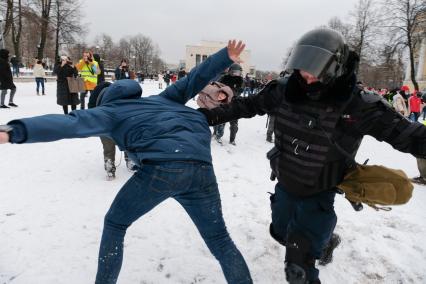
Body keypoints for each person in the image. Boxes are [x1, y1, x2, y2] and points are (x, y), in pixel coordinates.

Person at [0, 40, 251, 284]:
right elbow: (195, 78)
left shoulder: (110, 112)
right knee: (219, 239)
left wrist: (14, 131)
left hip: (163, 168)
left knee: (115, 223)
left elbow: (69, 123)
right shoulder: (165, 98)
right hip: (201, 167)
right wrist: (223, 57)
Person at [198, 29, 426, 283]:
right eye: (303, 66)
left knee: (298, 269)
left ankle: (313, 247)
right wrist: (204, 117)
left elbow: (408, 134)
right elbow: (247, 106)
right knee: (281, 232)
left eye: (314, 68)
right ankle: (327, 242)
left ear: (335, 68)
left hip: (320, 190)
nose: (306, 75)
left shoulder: (357, 105)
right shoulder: (284, 91)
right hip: (286, 181)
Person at [212, 63, 244, 145]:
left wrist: (237, 91)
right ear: (230, 71)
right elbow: (217, 87)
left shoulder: (240, 80)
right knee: (221, 121)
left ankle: (232, 139)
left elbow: (241, 90)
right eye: (235, 72)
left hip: (234, 104)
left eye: (238, 72)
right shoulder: (224, 78)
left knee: (234, 124)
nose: (237, 74)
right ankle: (217, 135)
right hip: (224, 102)